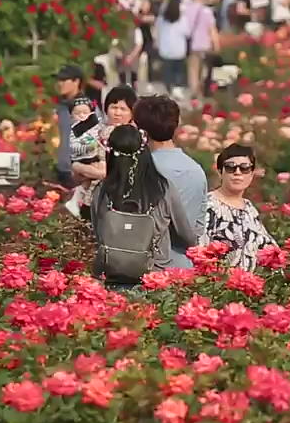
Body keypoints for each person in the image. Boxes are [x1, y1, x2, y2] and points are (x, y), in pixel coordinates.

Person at [90, 124, 196, 287]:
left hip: (112, 279)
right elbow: (187, 236)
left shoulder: (102, 192)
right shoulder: (163, 189)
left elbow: (99, 234)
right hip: (154, 280)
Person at [134, 96, 208, 268]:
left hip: (147, 266)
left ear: (142, 131)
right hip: (184, 266)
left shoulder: (141, 171)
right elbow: (198, 227)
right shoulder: (196, 170)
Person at [200, 144, 277, 271]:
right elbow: (199, 251)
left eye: (245, 168)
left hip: (248, 286)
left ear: (252, 174)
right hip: (215, 286)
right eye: (230, 168)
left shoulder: (249, 208)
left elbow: (269, 248)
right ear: (220, 172)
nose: (237, 172)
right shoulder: (208, 206)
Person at [63, 97, 104, 219]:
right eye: (77, 113)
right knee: (101, 174)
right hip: (81, 161)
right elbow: (75, 147)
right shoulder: (74, 130)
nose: (81, 116)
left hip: (94, 158)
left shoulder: (96, 126)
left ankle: (77, 202)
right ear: (71, 115)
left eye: (85, 113)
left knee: (88, 183)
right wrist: (90, 143)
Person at [53, 64, 89, 187]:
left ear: (76, 81)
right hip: (60, 169)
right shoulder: (61, 106)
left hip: (76, 172)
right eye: (59, 80)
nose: (60, 83)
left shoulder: (86, 107)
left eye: (64, 80)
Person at [186, 0, 219, 100]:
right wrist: (216, 44)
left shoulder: (186, 9)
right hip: (205, 45)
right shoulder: (207, 11)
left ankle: (194, 90)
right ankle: (201, 90)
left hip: (193, 44)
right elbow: (212, 29)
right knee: (203, 69)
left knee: (193, 69)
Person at [155, 0, 190, 95]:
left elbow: (158, 32)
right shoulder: (182, 19)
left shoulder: (161, 20)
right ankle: (177, 88)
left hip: (165, 49)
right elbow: (187, 33)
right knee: (178, 70)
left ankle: (168, 88)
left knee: (167, 70)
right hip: (179, 50)